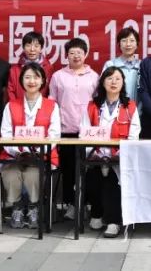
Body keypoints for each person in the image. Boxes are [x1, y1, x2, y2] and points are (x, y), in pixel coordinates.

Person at [80, 66, 140, 238]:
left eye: (117, 79)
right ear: (102, 82)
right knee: (93, 177)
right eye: (109, 78)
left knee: (113, 180)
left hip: (119, 157)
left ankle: (114, 221)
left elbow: (134, 135)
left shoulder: (130, 107)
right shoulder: (92, 106)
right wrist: (93, 153)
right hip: (95, 156)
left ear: (123, 83)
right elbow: (83, 132)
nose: (113, 82)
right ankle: (97, 213)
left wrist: (120, 154)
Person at [0, 62, 60, 230]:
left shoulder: (52, 105)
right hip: (14, 156)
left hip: (41, 156)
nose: (31, 81)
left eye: (36, 77)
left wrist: (36, 151)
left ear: (43, 81)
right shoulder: (11, 105)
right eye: (27, 77)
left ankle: (34, 208)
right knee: (11, 173)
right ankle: (17, 208)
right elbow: (6, 134)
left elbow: (54, 135)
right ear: (21, 81)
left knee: (34, 174)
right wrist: (17, 151)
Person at [48, 37, 99, 220]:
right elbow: (52, 102)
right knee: (69, 169)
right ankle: (71, 204)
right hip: (66, 130)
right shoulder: (58, 76)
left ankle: (86, 204)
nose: (76, 56)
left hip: (88, 132)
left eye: (79, 52)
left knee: (88, 169)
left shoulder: (94, 77)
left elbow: (98, 104)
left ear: (85, 54)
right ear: (66, 55)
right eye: (72, 53)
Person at [8, 31, 55, 101]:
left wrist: (45, 106)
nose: (32, 49)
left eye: (36, 46)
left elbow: (51, 92)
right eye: (28, 45)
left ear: (41, 48)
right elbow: (11, 92)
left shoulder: (48, 68)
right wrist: (15, 106)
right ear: (23, 48)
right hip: (18, 106)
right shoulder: (14, 70)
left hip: (43, 106)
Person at [102, 27, 141, 102]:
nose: (128, 44)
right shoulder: (110, 65)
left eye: (132, 41)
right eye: (124, 41)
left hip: (139, 109)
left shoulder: (142, 66)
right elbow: (103, 89)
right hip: (116, 108)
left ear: (137, 44)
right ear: (119, 44)